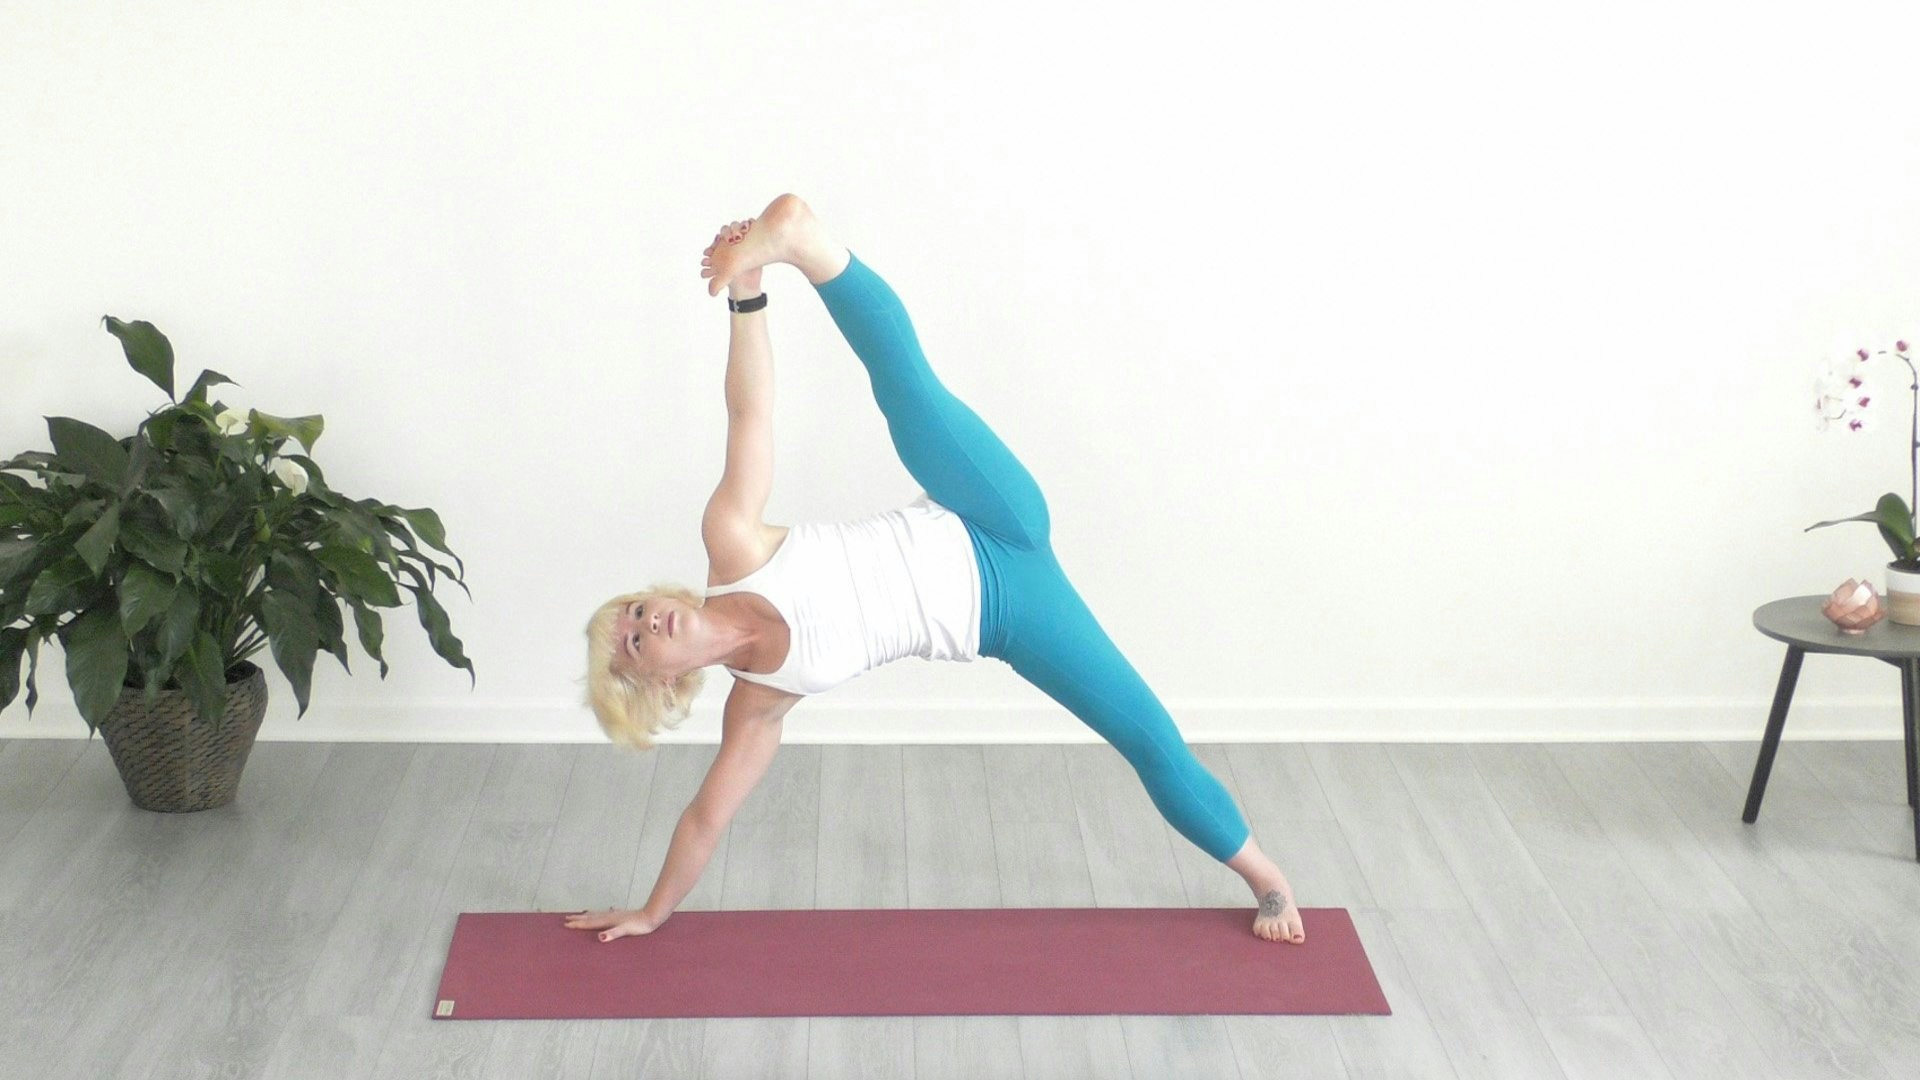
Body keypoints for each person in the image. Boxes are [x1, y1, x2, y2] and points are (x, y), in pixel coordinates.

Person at [574, 195, 1304, 945]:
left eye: (634, 610)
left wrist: (746, 293)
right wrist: (652, 913)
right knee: (1146, 738)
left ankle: (803, 241)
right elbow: (705, 819)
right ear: (659, 683)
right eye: (634, 642)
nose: (644, 621)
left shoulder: (732, 545)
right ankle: (1270, 881)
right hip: (1010, 614)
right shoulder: (757, 706)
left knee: (909, 395)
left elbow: (749, 415)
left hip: (979, 507)